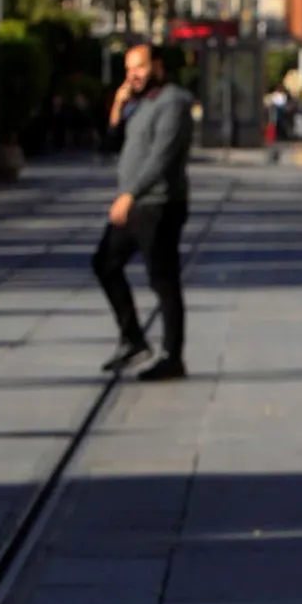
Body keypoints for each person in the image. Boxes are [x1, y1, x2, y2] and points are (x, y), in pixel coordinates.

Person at [92, 43, 194, 382]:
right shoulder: (137, 104)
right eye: (129, 70)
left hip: (160, 204)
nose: (133, 75)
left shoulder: (173, 102)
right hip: (135, 205)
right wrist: (118, 106)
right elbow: (110, 145)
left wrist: (129, 194)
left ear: (158, 67)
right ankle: (133, 339)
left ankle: (172, 355)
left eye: (139, 67)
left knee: (163, 280)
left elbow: (161, 157)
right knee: (105, 263)